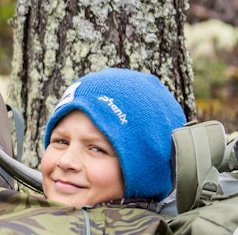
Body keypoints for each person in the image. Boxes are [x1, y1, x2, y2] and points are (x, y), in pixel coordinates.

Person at [40, 67, 187, 207]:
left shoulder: (152, 233)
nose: (66, 161)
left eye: (97, 149)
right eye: (61, 141)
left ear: (142, 176)